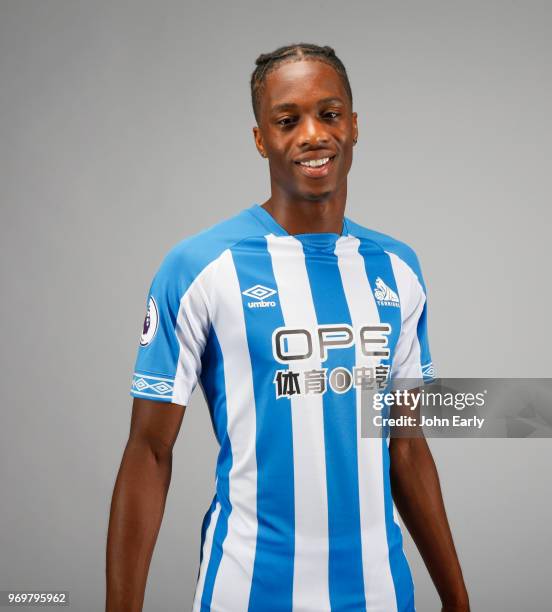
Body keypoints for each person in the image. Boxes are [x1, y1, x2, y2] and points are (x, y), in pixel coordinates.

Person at [106, 43, 469, 612]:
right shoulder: (200, 267)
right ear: (260, 139)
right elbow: (149, 451)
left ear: (353, 125)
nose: (312, 134)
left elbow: (408, 446)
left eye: (328, 114)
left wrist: (457, 599)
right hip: (248, 590)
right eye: (286, 120)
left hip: (379, 592)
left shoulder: (397, 269)